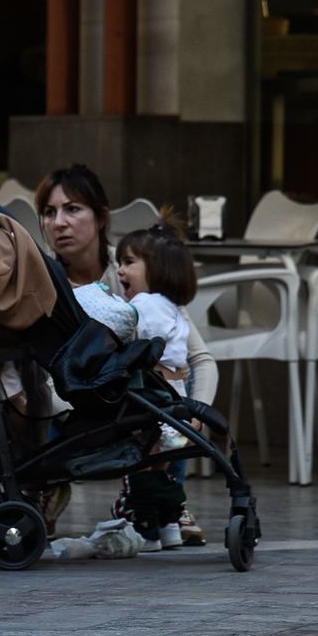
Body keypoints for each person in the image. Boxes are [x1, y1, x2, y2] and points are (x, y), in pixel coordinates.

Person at [35, 165, 216, 545]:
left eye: (73, 209)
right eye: (49, 213)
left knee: (171, 373)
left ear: (100, 218)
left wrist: (198, 415)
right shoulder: (44, 283)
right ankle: (44, 489)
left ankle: (164, 496)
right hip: (76, 400)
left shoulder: (137, 268)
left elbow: (200, 359)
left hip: (141, 398)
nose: (59, 223)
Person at [114, 223, 201, 550]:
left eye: (129, 262)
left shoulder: (145, 305)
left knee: (142, 465)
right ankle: (170, 526)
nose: (120, 270)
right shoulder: (174, 309)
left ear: (158, 270)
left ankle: (146, 526)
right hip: (175, 400)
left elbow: (121, 332)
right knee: (162, 467)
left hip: (149, 401)